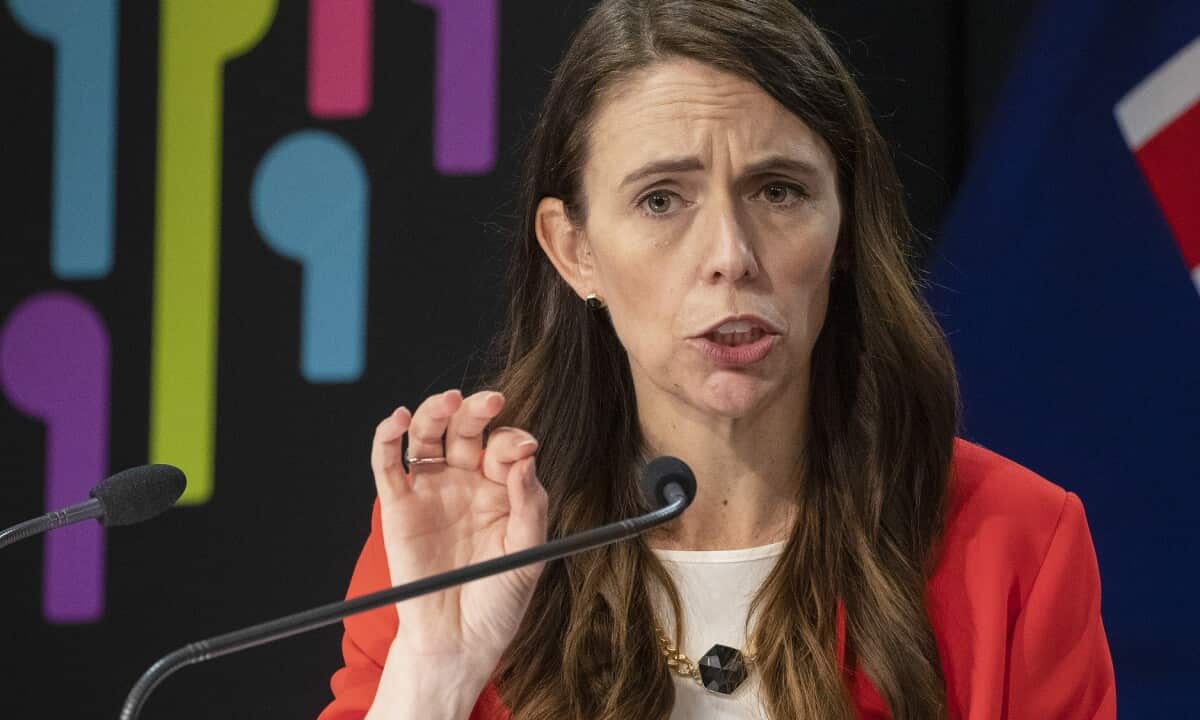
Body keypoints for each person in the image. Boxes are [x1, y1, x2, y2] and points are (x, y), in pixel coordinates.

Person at [318, 0, 1117, 718]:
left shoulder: (1018, 543)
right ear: (575, 249)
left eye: (778, 192)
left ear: (844, 229)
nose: (731, 257)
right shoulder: (462, 533)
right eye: (662, 199)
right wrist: (434, 674)